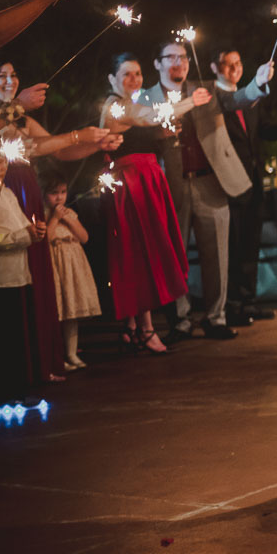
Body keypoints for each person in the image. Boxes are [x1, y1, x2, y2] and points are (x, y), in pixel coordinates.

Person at [0, 60, 118, 382]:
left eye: (14, 74)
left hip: (28, 193)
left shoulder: (22, 117)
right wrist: (74, 134)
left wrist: (94, 142)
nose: (9, 80)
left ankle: (45, 359)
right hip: (4, 191)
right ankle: (23, 364)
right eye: (2, 75)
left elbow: (58, 149)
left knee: (38, 273)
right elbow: (34, 147)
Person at [143, 40, 272, 340]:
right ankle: (180, 320)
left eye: (183, 57)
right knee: (174, 254)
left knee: (217, 254)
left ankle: (216, 317)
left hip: (210, 181)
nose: (179, 62)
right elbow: (137, 135)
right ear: (157, 63)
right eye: (171, 57)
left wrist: (258, 83)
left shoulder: (205, 89)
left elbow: (237, 99)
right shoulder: (146, 97)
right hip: (169, 184)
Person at [101, 53, 198, 354]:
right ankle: (146, 328)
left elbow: (146, 124)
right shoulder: (116, 104)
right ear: (112, 79)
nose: (134, 80)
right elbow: (147, 116)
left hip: (145, 181)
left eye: (138, 74)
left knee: (139, 249)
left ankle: (132, 326)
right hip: (131, 185)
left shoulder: (130, 104)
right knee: (138, 251)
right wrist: (192, 101)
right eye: (127, 74)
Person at [213, 48, 277, 325]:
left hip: (254, 181)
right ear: (214, 67)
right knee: (233, 246)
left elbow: (263, 131)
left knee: (251, 243)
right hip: (230, 183)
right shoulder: (217, 101)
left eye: (238, 63)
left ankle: (248, 300)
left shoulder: (249, 100)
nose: (234, 69)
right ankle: (232, 305)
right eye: (227, 64)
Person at [0, 141, 44, 403]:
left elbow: (24, 226)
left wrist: (34, 232)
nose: (3, 165)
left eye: (3, 160)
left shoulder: (8, 192)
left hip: (17, 274)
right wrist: (21, 237)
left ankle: (16, 390)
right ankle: (2, 394)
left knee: (15, 336)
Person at [43, 179, 101, 371]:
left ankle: (72, 353)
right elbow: (46, 239)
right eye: (54, 192)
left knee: (72, 312)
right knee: (59, 309)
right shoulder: (43, 215)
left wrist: (69, 219)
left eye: (63, 192)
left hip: (73, 264)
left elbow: (84, 237)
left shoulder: (71, 214)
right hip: (56, 263)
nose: (59, 197)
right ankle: (59, 356)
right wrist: (54, 219)